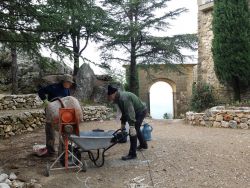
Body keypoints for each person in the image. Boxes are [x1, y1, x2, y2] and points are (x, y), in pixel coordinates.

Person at [107, 85, 148, 160]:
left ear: (114, 93)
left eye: (109, 96)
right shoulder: (118, 99)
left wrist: (131, 126)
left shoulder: (124, 98)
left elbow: (130, 112)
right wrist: (123, 123)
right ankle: (143, 145)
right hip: (137, 110)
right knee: (136, 129)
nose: (109, 98)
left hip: (140, 111)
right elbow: (124, 112)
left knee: (133, 131)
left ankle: (133, 154)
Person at [38, 74, 74, 154]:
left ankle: (62, 150)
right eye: (69, 82)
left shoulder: (67, 90)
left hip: (62, 112)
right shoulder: (54, 87)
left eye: (71, 83)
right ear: (63, 81)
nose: (70, 84)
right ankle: (50, 150)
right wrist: (45, 101)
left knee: (64, 130)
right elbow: (40, 91)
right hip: (51, 111)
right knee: (50, 130)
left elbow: (68, 99)